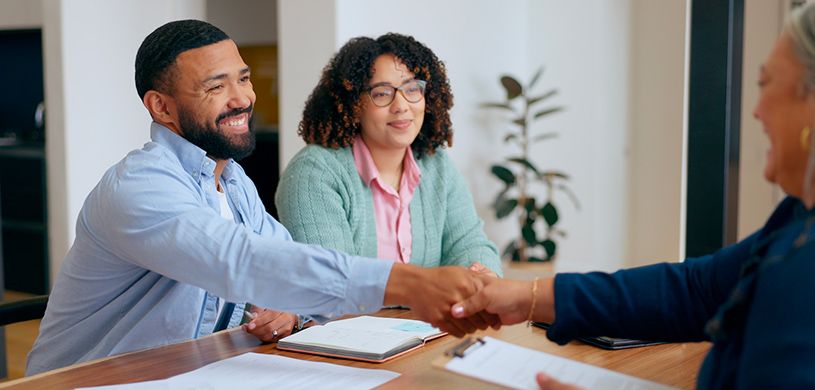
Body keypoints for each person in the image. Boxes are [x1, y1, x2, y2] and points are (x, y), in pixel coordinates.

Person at [26, 20, 496, 376]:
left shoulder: (233, 181)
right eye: (216, 86)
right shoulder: (139, 187)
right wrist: (410, 283)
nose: (242, 98)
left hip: (194, 372)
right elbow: (242, 262)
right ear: (162, 107)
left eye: (244, 79)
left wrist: (288, 308)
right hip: (92, 381)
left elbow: (286, 262)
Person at [451, 4, 815, 389]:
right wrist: (528, 297)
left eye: (766, 83)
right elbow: (697, 289)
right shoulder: (797, 219)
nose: (755, 111)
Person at [275, 33, 501, 279]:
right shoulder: (313, 174)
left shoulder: (436, 164)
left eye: (412, 89)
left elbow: (469, 243)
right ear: (353, 104)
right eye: (382, 93)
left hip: (424, 318)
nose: (402, 105)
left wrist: (480, 276)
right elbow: (332, 283)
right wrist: (432, 289)